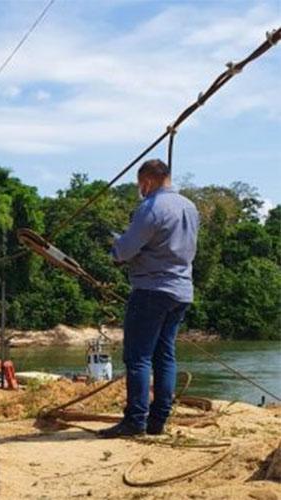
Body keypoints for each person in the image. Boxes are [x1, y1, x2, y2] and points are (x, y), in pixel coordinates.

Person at [98, 158, 199, 439]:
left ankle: (135, 420)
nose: (140, 190)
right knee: (165, 355)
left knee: (138, 357)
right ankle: (158, 420)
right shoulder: (190, 207)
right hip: (181, 289)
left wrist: (117, 246)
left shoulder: (151, 207)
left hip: (152, 289)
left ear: (148, 181)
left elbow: (125, 251)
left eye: (140, 185)